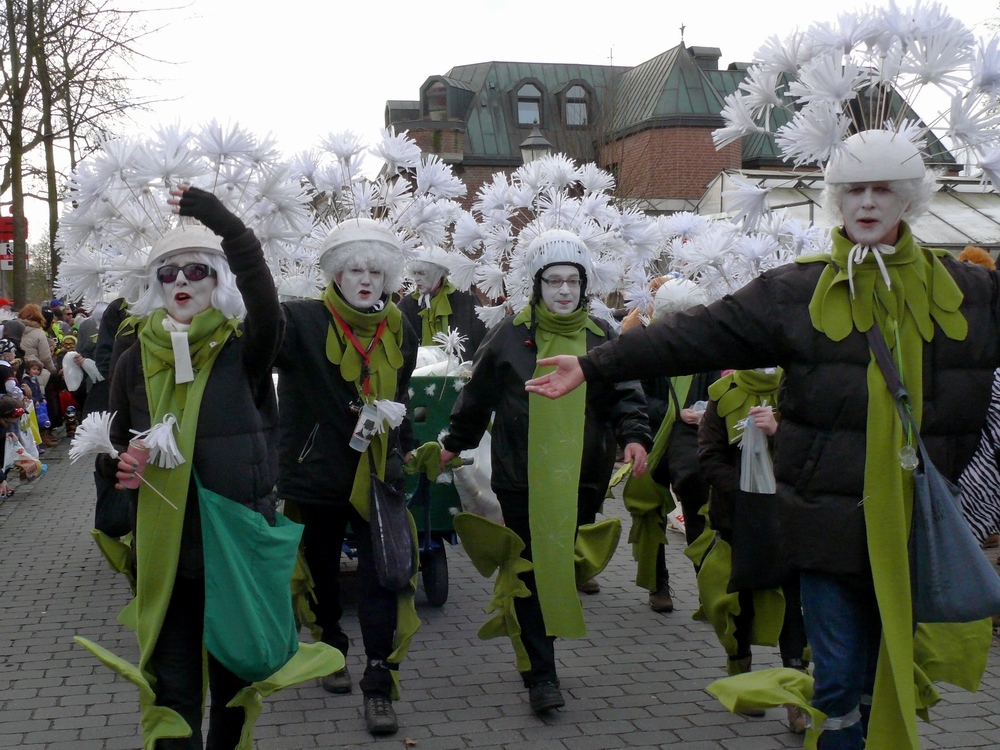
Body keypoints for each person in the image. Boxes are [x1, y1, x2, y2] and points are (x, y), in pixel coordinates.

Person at [525, 130, 995, 749]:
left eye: (884, 188)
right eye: (854, 189)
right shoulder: (796, 292)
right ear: (837, 199)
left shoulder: (973, 293)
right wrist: (595, 363)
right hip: (826, 527)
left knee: (888, 676)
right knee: (836, 686)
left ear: (909, 198)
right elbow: (697, 333)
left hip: (916, 526)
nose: (869, 202)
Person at [101, 186, 290, 749]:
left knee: (233, 687)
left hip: (234, 546)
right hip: (169, 551)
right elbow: (112, 443)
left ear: (216, 282)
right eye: (169, 275)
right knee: (175, 691)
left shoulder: (246, 347)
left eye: (196, 271)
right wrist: (121, 478)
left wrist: (220, 221)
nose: (181, 282)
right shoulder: (134, 359)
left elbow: (265, 296)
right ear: (156, 288)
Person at [439, 229, 652, 716]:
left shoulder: (602, 337)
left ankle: (540, 653)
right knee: (532, 568)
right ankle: (541, 672)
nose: (562, 291)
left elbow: (625, 395)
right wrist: (454, 443)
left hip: (581, 476)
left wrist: (635, 436)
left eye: (572, 282)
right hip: (521, 478)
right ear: (536, 285)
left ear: (584, 286)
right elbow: (478, 397)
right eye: (553, 280)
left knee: (558, 562)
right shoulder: (510, 335)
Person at [274, 217, 418, 736]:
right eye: (354, 268)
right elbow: (259, 339)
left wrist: (399, 449)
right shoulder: (301, 321)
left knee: (383, 573)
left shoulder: (402, 324)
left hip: (377, 470)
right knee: (323, 566)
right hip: (317, 473)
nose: (365, 279)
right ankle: (331, 638)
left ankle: (378, 680)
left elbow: (400, 392)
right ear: (335, 273)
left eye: (375, 271)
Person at [697, 368, 809, 733]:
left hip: (789, 517)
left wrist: (779, 433)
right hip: (737, 518)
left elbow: (813, 448)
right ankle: (740, 676)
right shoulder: (722, 394)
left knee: (793, 606)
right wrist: (745, 494)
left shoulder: (799, 389)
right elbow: (710, 455)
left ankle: (795, 695)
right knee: (740, 602)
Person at [624, 277, 717, 613]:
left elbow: (716, 390)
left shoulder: (708, 347)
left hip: (692, 439)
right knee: (650, 509)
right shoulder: (645, 346)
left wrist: (707, 411)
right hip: (651, 436)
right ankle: (658, 583)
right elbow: (636, 397)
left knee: (697, 505)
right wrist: (674, 411)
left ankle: (708, 589)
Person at [397, 245, 487, 355]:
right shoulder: (407, 305)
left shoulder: (466, 300)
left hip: (462, 370)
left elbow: (482, 341)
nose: (416, 278)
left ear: (438, 274)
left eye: (422, 273)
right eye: (414, 273)